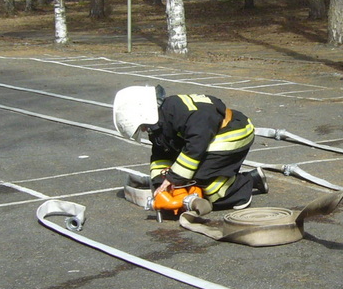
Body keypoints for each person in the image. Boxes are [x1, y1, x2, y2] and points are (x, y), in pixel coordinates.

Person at [113, 85, 267, 211]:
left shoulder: (181, 112)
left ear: (144, 112)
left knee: (207, 186)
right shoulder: (161, 120)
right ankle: (249, 178)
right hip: (211, 137)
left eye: (143, 126)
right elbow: (160, 153)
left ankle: (244, 186)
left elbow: (196, 146)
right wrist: (160, 182)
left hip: (234, 132)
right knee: (187, 178)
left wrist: (174, 178)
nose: (145, 130)